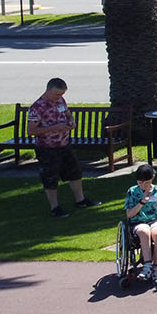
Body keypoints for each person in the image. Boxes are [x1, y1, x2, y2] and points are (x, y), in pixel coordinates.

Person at [26, 77, 96, 218]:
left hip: (64, 144)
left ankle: (80, 200)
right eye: (57, 94)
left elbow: (66, 113)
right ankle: (54, 207)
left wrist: (71, 121)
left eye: (62, 94)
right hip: (47, 148)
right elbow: (31, 130)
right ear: (48, 90)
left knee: (75, 172)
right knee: (51, 177)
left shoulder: (60, 101)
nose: (59, 97)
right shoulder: (37, 107)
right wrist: (55, 127)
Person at [124, 163, 157, 284]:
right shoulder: (132, 191)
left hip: (155, 220)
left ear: (152, 178)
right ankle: (147, 266)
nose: (142, 185)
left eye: (145, 182)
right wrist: (141, 202)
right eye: (140, 182)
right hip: (139, 221)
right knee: (144, 231)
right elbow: (129, 214)